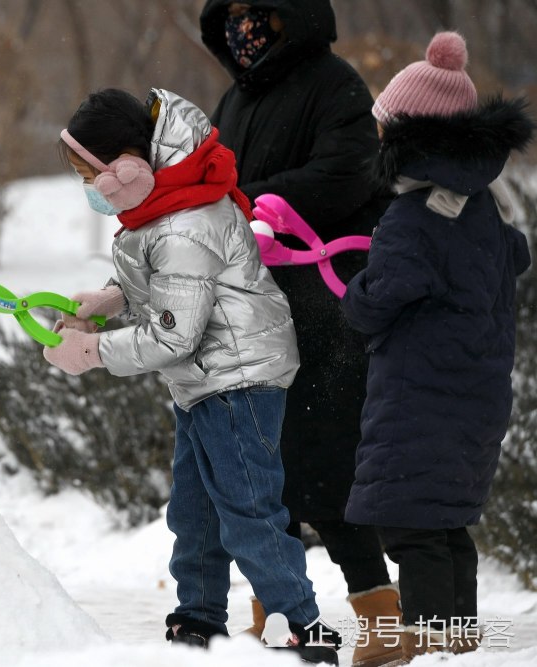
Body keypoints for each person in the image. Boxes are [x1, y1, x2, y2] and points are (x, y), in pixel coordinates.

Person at [46, 87, 340, 665]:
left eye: (91, 175)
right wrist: (108, 301)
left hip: (236, 381)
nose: (91, 190)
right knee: (195, 511)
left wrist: (94, 352)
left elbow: (173, 333)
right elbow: (170, 293)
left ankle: (306, 629)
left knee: (248, 511)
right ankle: (197, 621)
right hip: (203, 381)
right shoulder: (165, 206)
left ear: (127, 169)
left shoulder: (184, 222)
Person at [198, 2, 400, 664]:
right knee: (261, 471)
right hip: (248, 309)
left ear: (294, 16)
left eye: (258, 15)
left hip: (323, 308)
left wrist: (247, 201)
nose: (242, 29)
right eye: (231, 15)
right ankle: (278, 621)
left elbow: (347, 174)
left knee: (329, 467)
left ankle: (383, 617)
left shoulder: (334, 83)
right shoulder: (233, 98)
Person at [341, 31, 533, 662]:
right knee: (444, 519)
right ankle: (457, 631)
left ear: (408, 140)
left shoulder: (411, 217)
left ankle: (423, 634)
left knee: (409, 520)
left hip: (421, 396)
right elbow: (515, 255)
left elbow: (384, 295)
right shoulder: (480, 206)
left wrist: (355, 296)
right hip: (474, 396)